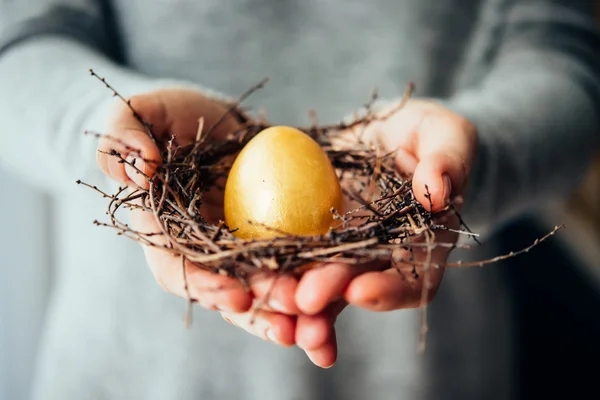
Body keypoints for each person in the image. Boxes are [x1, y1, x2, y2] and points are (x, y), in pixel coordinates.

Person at [0, 1, 598, 399]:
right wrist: (112, 129)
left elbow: (564, 61)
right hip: (134, 374)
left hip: (422, 374)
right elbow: (18, 45)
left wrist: (465, 160)